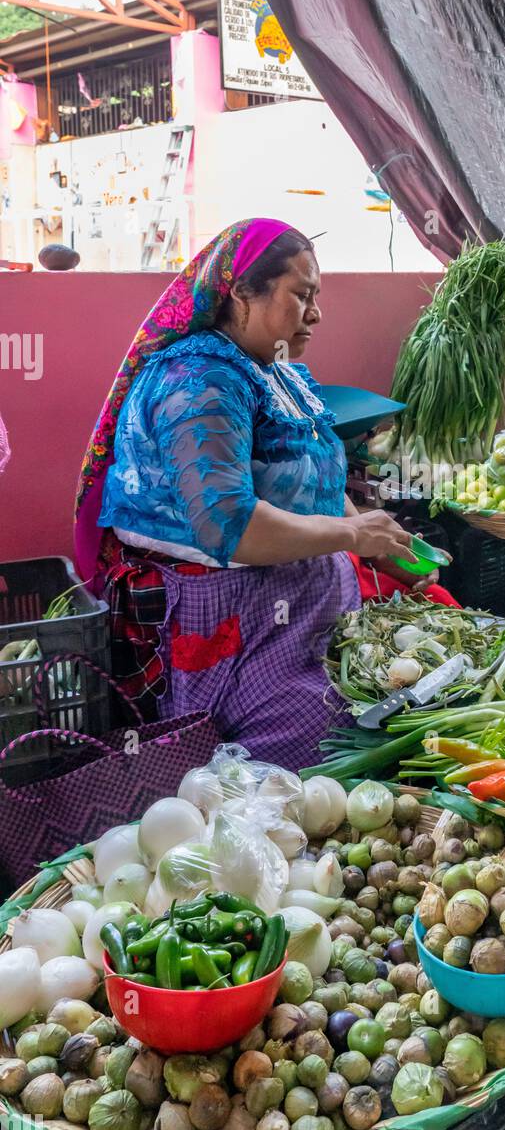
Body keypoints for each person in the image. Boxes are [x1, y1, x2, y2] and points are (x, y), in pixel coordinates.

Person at [74, 218, 441, 769]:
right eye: (302, 295)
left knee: (354, 740)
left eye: (316, 297)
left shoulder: (277, 371)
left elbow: (315, 482)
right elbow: (228, 526)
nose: (315, 314)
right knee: (283, 770)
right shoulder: (198, 380)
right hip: (229, 627)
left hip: (300, 616)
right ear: (242, 293)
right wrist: (351, 533)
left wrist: (383, 545)